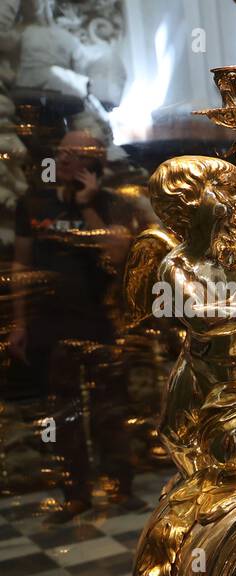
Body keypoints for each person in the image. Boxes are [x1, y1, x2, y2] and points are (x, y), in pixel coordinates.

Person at [7, 127, 141, 521]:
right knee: (63, 413)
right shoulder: (33, 203)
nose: (64, 160)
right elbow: (21, 265)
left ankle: (120, 486)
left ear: (94, 162)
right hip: (51, 323)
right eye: (61, 152)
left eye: (75, 154)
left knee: (109, 409)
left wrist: (86, 204)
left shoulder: (112, 203)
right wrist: (18, 323)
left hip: (99, 321)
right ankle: (76, 493)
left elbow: (118, 258)